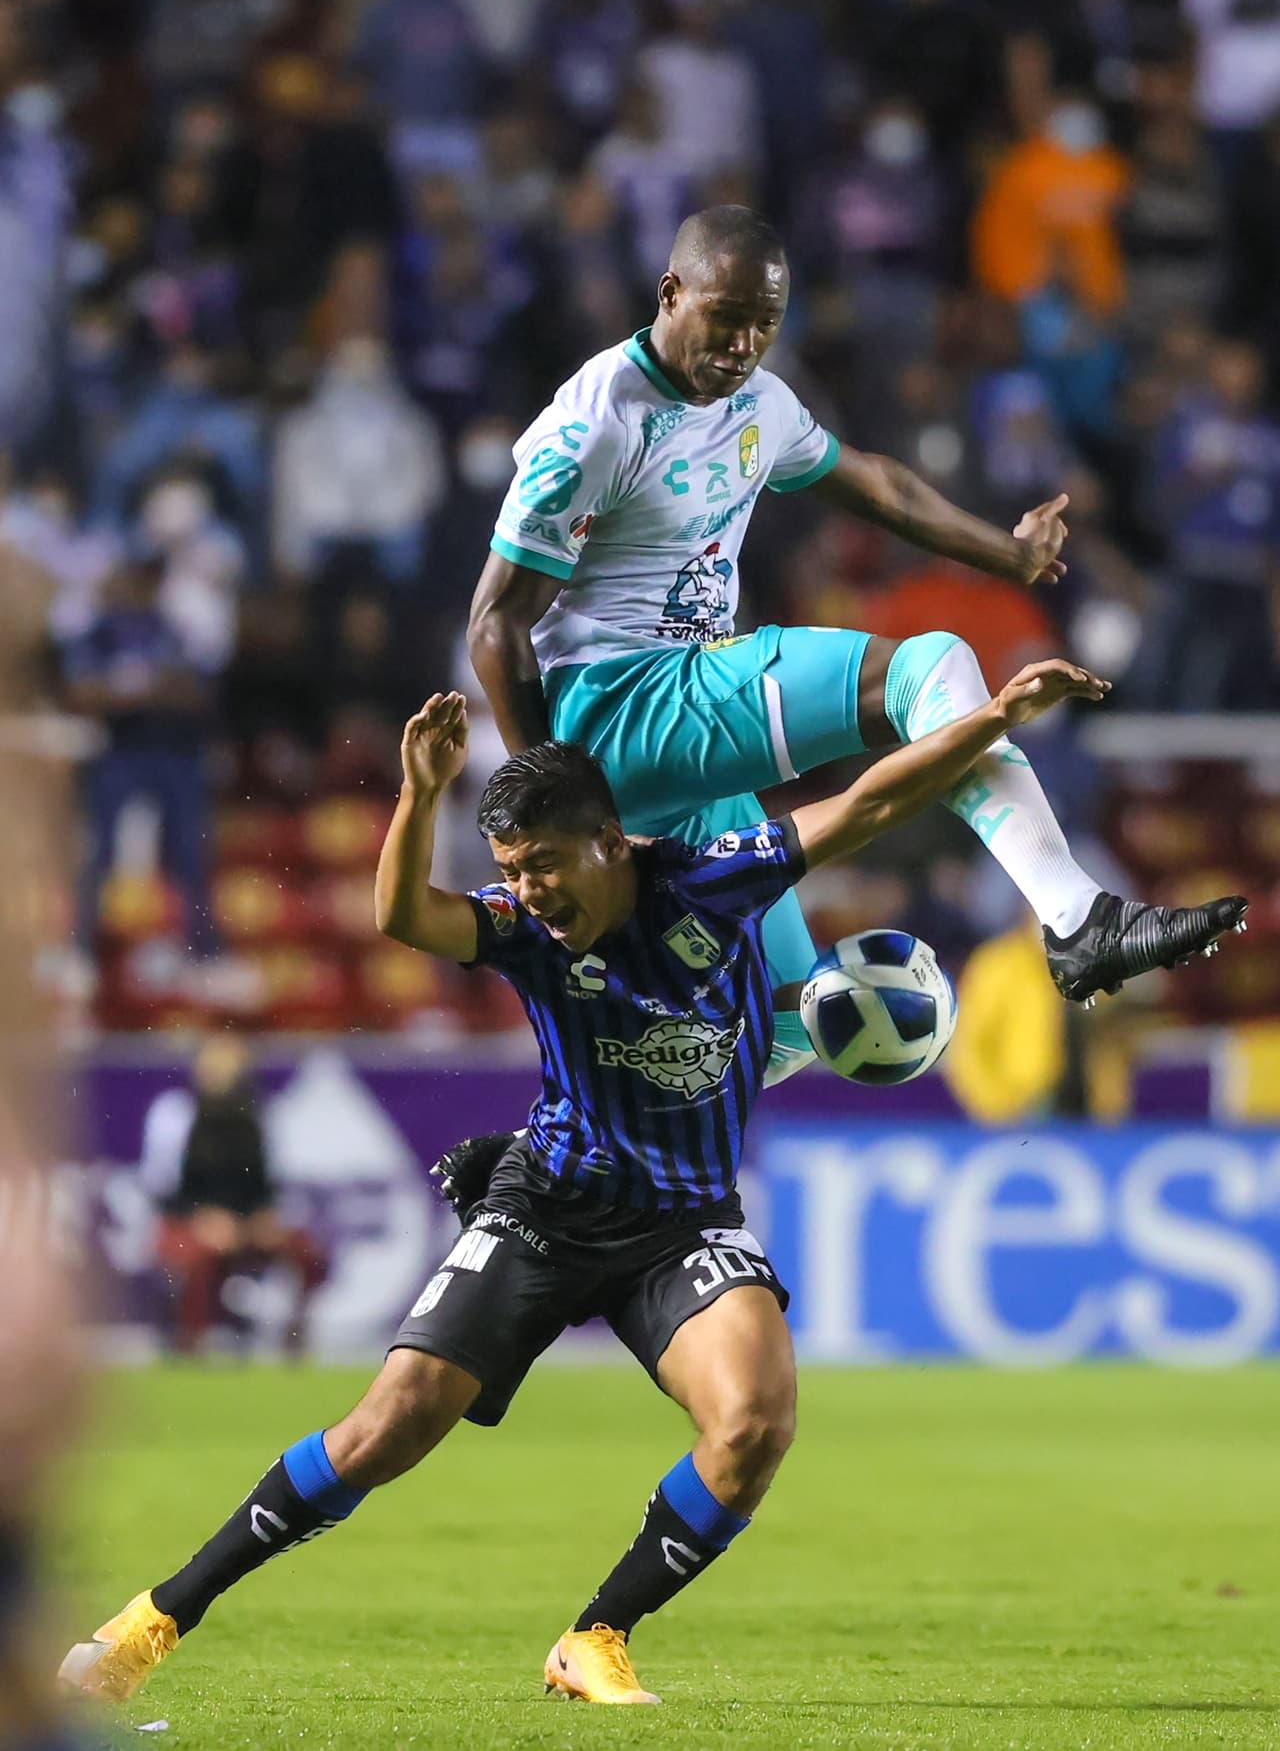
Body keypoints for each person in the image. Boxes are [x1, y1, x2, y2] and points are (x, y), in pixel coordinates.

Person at [63, 656, 1135, 1707]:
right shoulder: (525, 932)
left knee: (755, 1422)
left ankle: (596, 1635)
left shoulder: (712, 879)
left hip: (682, 1223)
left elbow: (867, 801)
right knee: (386, 1427)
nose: (530, 889)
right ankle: (149, 1621)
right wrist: (419, 793)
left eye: (544, 864)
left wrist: (992, 714)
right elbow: (404, 918)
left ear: (610, 842)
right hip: (546, 1207)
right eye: (512, 866)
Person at [466, 204, 1245, 1081]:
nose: (743, 344)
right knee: (929, 668)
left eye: (764, 323)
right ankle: (1076, 918)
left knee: (790, 1027)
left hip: (682, 745)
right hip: (620, 707)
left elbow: (878, 486)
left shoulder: (759, 401)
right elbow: (495, 621)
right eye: (726, 317)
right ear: (671, 292)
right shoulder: (598, 422)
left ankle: (605, 1120)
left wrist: (1011, 553)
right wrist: (550, 811)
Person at [140, 1035, 328, 1357]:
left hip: (243, 1221)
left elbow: (265, 1182)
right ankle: (192, 1341)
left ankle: (294, 1334)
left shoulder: (257, 1115)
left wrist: (261, 1216)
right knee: (199, 1259)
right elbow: (160, 1188)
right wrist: (201, 1217)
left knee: (307, 1253)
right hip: (186, 1219)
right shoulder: (174, 1114)